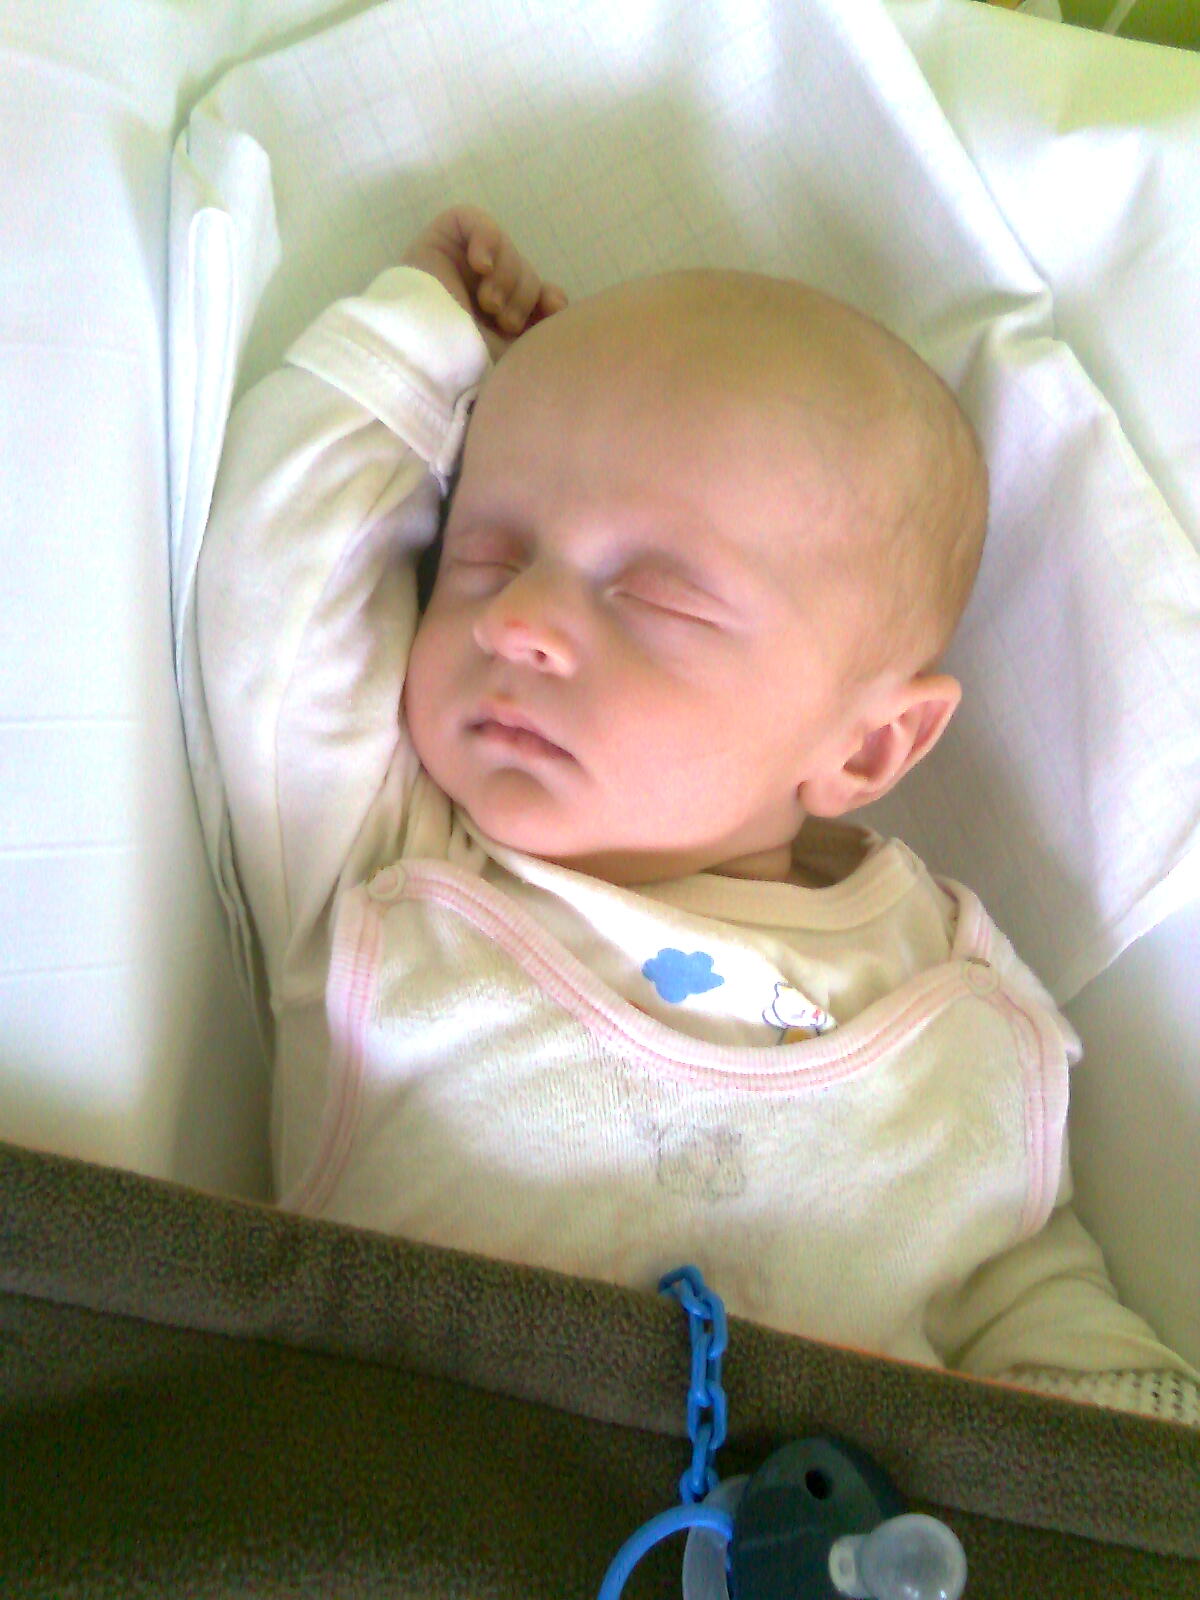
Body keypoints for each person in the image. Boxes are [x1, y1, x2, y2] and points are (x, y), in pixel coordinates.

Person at [194, 204, 1199, 1424]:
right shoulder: (391, 860)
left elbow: (1023, 1283)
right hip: (414, 1476)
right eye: (485, 555)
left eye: (655, 599)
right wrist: (418, 335)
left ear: (868, 745)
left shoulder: (944, 989)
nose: (520, 620)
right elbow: (280, 591)